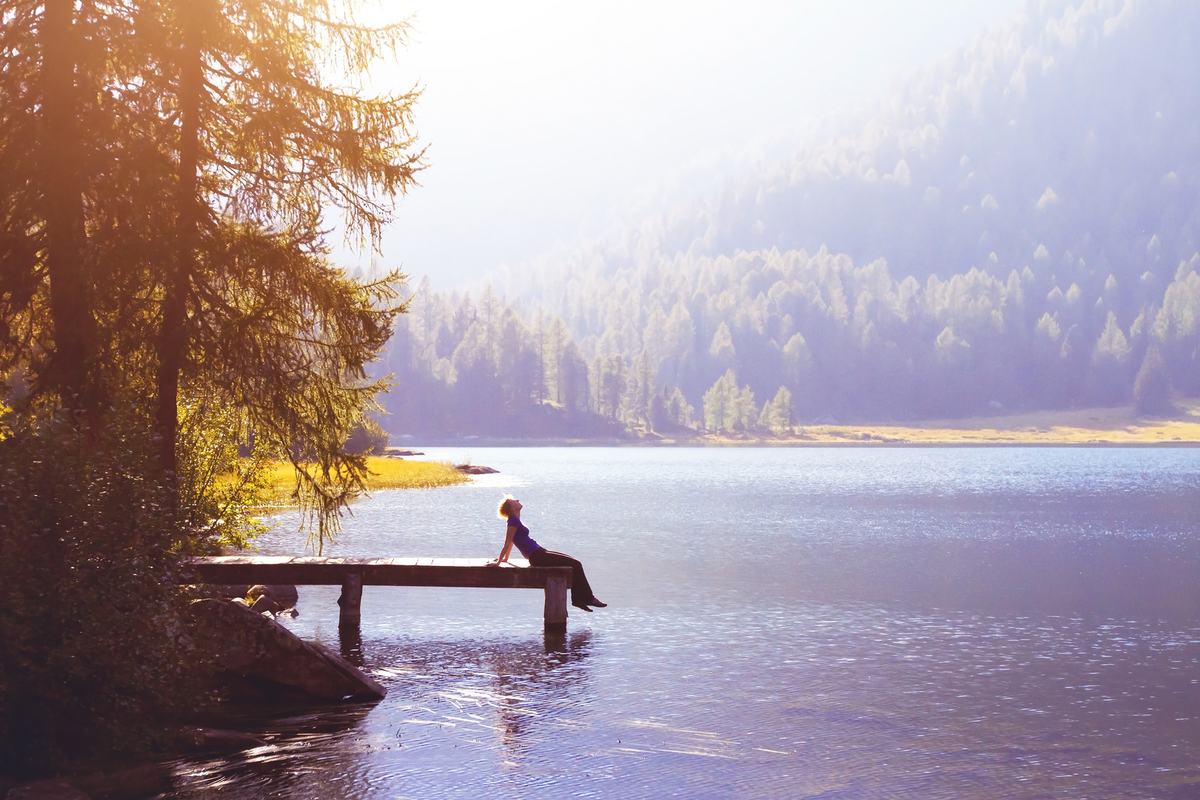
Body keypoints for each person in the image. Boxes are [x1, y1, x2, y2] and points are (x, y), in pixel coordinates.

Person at [489, 496, 606, 612]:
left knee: (574, 563)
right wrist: (499, 561)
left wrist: (505, 559)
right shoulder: (513, 520)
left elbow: (511, 541)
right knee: (576, 564)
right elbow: (508, 542)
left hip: (540, 552)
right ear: (511, 508)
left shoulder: (514, 519)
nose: (518, 500)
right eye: (514, 501)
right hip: (537, 556)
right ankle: (587, 598)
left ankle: (579, 599)